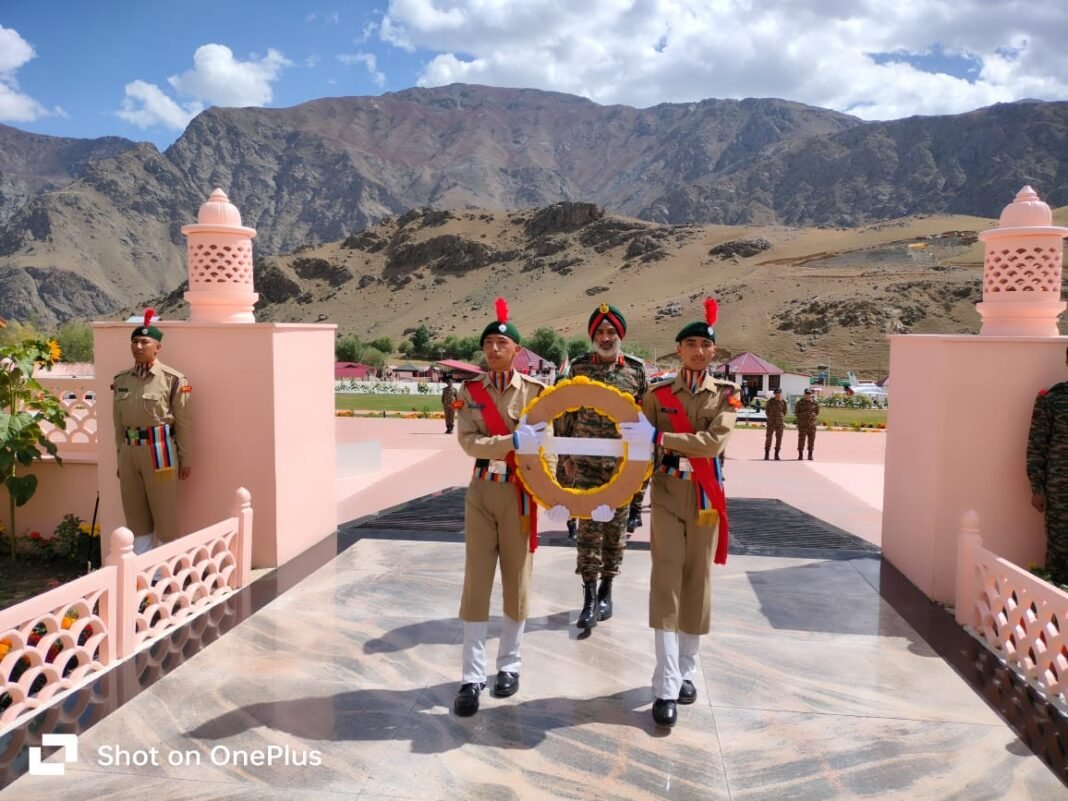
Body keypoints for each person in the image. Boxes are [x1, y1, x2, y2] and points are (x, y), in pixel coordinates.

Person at [621, 298, 737, 729]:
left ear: (712, 352)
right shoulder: (658, 394)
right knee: (666, 581)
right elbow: (639, 442)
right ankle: (666, 683)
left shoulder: (726, 395)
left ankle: (688, 669)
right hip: (668, 491)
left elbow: (713, 445)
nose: (697, 351)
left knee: (697, 582)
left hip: (705, 495)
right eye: (689, 344)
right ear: (678, 351)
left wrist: (663, 435)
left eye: (703, 345)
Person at [452, 298, 551, 716]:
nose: (493, 350)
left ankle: (509, 666)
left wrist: (553, 494)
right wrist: (510, 442)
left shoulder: (536, 393)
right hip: (482, 491)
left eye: (501, 344)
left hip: (519, 495)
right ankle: (472, 677)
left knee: (517, 582)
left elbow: (549, 450)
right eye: (488, 343)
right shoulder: (469, 391)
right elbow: (469, 442)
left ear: (517, 352)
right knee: (477, 582)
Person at [555, 303, 648, 630]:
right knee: (588, 533)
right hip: (584, 465)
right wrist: (563, 462)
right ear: (592, 336)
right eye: (600, 333)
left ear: (620, 335)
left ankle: (608, 590)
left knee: (615, 533)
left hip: (621, 468)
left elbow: (644, 422)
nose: (605, 338)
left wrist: (639, 491)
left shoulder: (636, 371)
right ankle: (590, 597)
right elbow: (564, 416)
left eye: (611, 332)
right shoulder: (579, 368)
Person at [112, 309, 192, 554]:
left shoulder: (173, 379)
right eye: (135, 341)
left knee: (165, 513)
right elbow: (118, 423)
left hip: (160, 451)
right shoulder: (121, 380)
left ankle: (166, 574)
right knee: (135, 514)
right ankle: (142, 572)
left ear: (157, 347)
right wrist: (120, 456)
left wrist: (185, 459)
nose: (138, 346)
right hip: (129, 451)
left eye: (145, 342)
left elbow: (184, 423)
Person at [1027, 345, 1068, 586]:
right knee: (1059, 551)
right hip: (1060, 489)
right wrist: (1037, 488)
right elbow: (1036, 445)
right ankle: (1054, 612)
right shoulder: (1052, 398)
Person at [795, 388, 819, 460]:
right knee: (801, 440)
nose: (808, 395)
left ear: (811, 394)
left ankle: (810, 455)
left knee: (811, 440)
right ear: (804, 394)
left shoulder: (815, 403)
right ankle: (800, 454)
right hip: (802, 425)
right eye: (807, 394)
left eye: (809, 394)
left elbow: (817, 412)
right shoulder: (799, 403)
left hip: (812, 425)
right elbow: (797, 412)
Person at [764, 387, 787, 460]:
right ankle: (767, 454)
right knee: (769, 438)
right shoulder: (770, 401)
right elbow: (767, 411)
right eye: (777, 393)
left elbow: (784, 412)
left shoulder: (783, 402)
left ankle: (776, 454)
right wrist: (771, 417)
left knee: (779, 439)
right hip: (771, 422)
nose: (778, 394)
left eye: (779, 393)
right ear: (774, 394)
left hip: (780, 423)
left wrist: (780, 418)